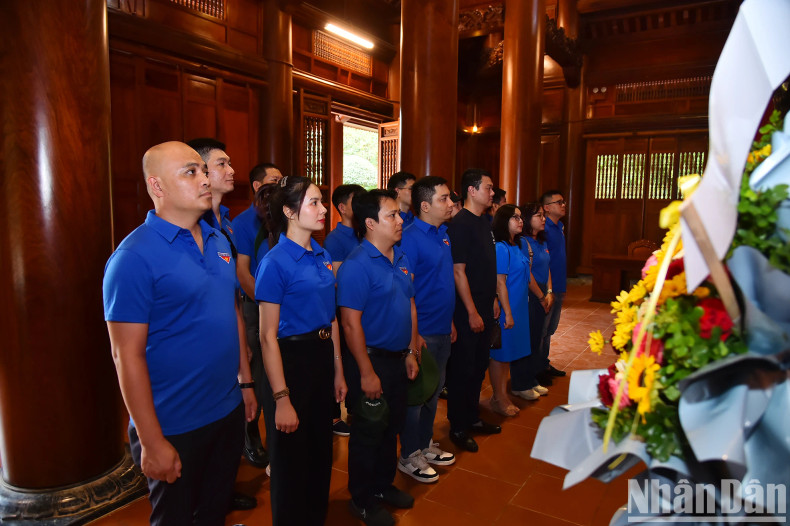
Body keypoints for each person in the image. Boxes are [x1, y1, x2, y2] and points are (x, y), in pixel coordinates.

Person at [103, 141, 257, 526]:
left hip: (226, 410)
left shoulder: (219, 240)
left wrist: (246, 382)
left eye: (203, 170)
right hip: (174, 424)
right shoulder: (133, 258)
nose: (204, 179)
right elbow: (126, 356)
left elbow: (232, 313)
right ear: (157, 186)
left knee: (214, 512)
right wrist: (152, 441)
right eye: (191, 172)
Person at [255, 176, 348, 526]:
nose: (323, 209)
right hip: (290, 362)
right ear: (289, 212)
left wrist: (338, 371)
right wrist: (281, 398)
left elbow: (332, 319)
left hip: (322, 356)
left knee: (320, 453)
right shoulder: (275, 262)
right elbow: (267, 336)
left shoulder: (322, 255)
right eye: (314, 202)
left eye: (321, 201)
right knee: (290, 461)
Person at [338, 189, 423, 526]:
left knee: (391, 428)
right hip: (371, 361)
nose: (400, 220)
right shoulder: (356, 265)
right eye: (392, 215)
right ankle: (361, 499)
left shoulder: (400, 257)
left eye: (399, 214)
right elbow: (350, 323)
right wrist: (366, 372)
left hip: (398, 358)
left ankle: (382, 486)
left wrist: (412, 351)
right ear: (370, 223)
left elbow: (411, 305)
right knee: (368, 433)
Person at [186, 138, 258, 511]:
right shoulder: (188, 228)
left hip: (229, 342)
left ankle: (220, 493)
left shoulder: (222, 223)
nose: (231, 171)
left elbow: (230, 296)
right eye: (222, 164)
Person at [397, 176, 457, 484]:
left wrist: (451, 321)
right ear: (424, 206)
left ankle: (423, 444)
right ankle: (409, 454)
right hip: (422, 332)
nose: (450, 204)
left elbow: (441, 283)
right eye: (443, 199)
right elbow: (406, 291)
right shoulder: (409, 238)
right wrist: (414, 334)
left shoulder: (443, 235)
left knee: (434, 391)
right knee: (417, 396)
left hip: (442, 327)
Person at [445, 168, 501, 454]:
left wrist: (493, 299)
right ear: (472, 190)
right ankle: (457, 425)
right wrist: (471, 311)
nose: (492, 193)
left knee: (479, 366)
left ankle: (472, 417)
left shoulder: (484, 222)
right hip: (467, 310)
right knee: (463, 369)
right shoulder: (460, 224)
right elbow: (459, 271)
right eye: (488, 188)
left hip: (485, 305)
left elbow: (485, 267)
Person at [232, 162, 283, 469]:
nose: (280, 183)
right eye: (274, 179)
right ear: (257, 186)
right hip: (256, 307)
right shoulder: (243, 223)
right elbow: (242, 271)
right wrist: (265, 304)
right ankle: (249, 438)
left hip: (282, 309)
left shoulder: (282, 218)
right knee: (257, 376)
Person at [322, 183, 366, 436]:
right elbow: (339, 279)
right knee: (344, 361)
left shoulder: (363, 233)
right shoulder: (335, 239)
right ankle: (337, 413)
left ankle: (357, 406)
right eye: (355, 201)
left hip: (363, 309)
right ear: (342, 208)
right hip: (343, 309)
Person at [518, 202, 554, 391]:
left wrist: (549, 291)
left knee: (538, 336)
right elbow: (527, 273)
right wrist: (541, 296)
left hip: (543, 292)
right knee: (528, 339)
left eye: (543, 215)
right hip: (531, 295)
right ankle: (523, 382)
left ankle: (532, 378)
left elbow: (547, 268)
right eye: (538, 215)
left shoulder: (542, 241)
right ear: (526, 219)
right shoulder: (523, 242)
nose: (543, 219)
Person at [539, 190, 568, 381]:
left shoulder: (560, 226)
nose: (563, 205)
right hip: (548, 286)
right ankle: (537, 369)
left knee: (550, 329)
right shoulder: (544, 228)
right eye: (559, 202)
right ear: (547, 208)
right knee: (542, 329)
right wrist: (548, 289)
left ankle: (544, 363)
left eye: (563, 202)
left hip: (559, 285)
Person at [324, 184, 366, 273]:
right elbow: (337, 278)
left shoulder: (368, 231)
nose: (362, 206)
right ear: (342, 208)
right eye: (357, 202)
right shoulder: (334, 240)